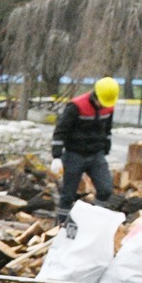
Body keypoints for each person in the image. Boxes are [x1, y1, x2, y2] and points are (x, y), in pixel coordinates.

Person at [53, 77, 121, 210]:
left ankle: (93, 217)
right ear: (95, 95)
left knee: (105, 190)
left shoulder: (108, 107)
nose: (103, 106)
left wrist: (106, 146)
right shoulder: (76, 106)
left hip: (96, 155)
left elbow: (107, 129)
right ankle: (62, 225)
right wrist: (56, 155)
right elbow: (60, 131)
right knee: (68, 195)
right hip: (74, 154)